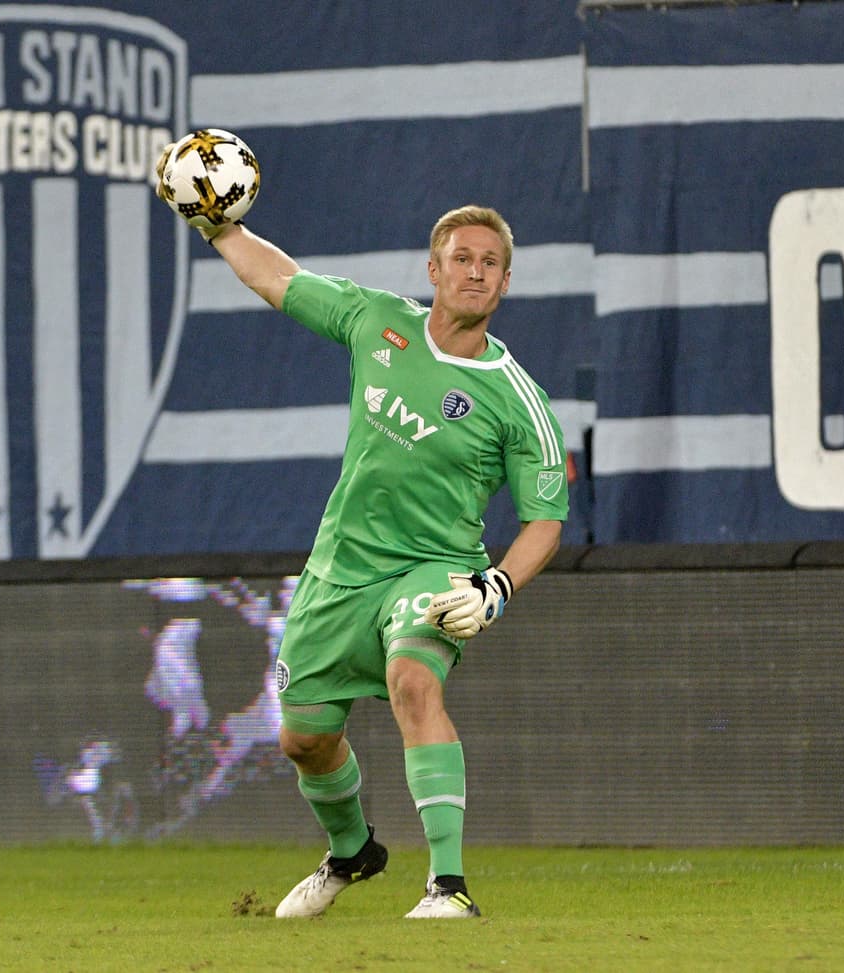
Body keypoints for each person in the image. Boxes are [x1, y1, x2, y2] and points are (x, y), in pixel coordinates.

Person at [156, 150, 568, 919]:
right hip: (338, 572)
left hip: (434, 569)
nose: (476, 272)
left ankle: (449, 886)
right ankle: (353, 852)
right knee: (303, 739)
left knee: (414, 681)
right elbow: (279, 278)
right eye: (462, 259)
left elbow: (545, 519)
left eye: (491, 264)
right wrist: (216, 227)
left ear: (506, 283)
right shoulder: (377, 321)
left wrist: (497, 585)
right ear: (434, 270)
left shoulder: (520, 400)